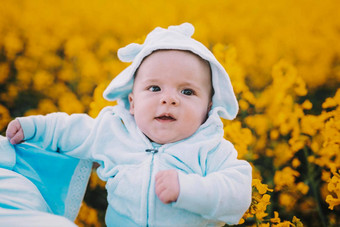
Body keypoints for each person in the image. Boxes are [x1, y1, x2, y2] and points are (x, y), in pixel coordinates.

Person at [6, 23, 252, 226]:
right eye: (154, 88)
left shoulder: (211, 148)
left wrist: (188, 189)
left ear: (208, 109)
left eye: (187, 91)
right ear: (132, 103)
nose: (169, 99)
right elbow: (74, 131)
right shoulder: (115, 132)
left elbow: (238, 192)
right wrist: (35, 128)